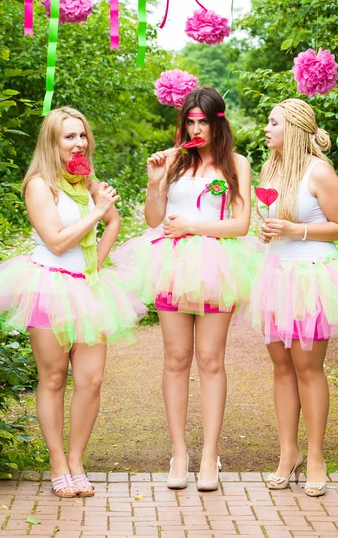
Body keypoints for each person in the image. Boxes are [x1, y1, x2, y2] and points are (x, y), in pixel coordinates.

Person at [0, 107, 147, 498]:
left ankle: (76, 461)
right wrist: (97, 211)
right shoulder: (40, 185)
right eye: (69, 137)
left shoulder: (86, 181)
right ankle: (57, 463)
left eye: (82, 135)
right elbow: (57, 241)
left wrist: (96, 263)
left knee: (91, 380)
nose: (79, 143)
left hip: (87, 288)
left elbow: (115, 223)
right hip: (48, 287)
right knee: (54, 377)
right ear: (52, 142)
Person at [113, 87, 260, 491]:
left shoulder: (237, 164)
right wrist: (154, 183)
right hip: (171, 265)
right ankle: (179, 453)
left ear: (218, 122)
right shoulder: (174, 160)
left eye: (203, 121)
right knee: (176, 357)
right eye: (190, 121)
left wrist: (193, 226)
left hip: (217, 266)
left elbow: (240, 225)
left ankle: (209, 455)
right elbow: (153, 219)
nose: (196, 129)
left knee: (211, 360)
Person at [243, 98, 338, 496]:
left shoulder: (318, 171)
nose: (266, 128)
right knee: (281, 367)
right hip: (275, 274)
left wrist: (294, 230)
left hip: (311, 276)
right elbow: (272, 223)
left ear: (295, 129)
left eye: (273, 123)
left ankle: (317, 455)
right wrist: (268, 232)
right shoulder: (270, 168)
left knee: (308, 368)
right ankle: (289, 454)